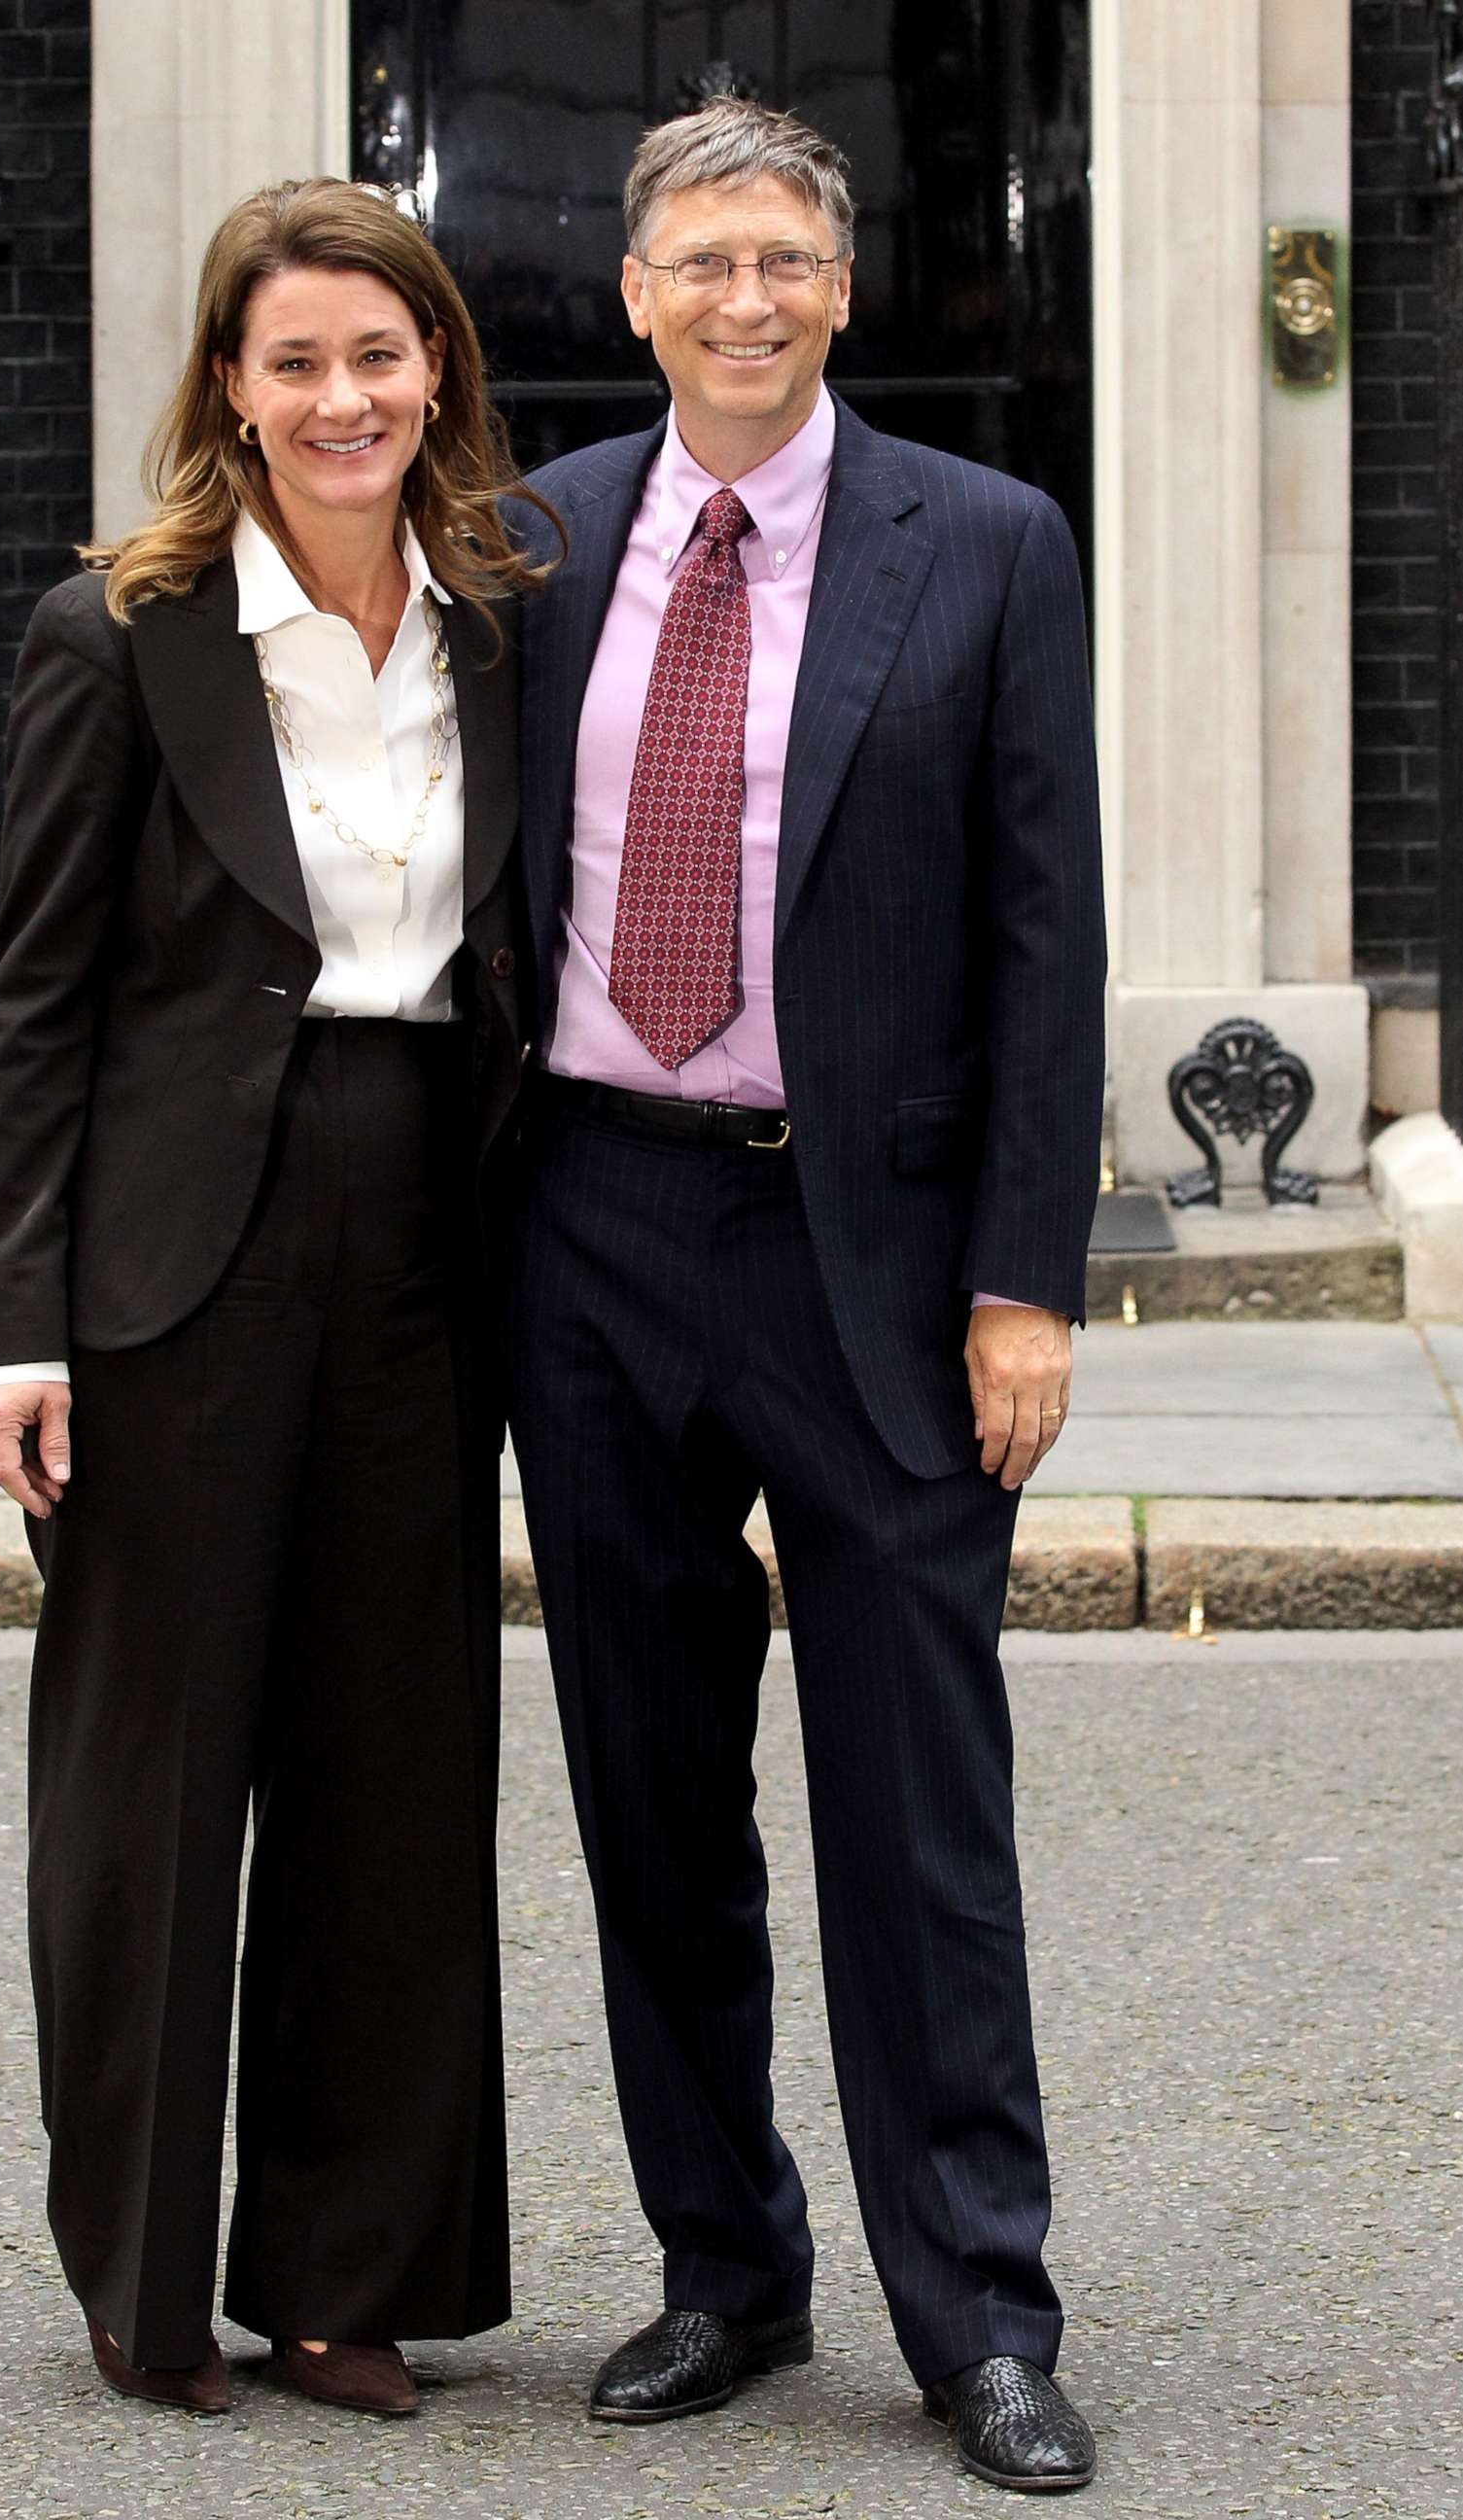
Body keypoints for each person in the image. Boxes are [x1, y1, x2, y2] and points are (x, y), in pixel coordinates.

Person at [505, 98, 1105, 2493]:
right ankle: (725, 2271)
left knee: (914, 1804)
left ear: (841, 288)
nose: (741, 299)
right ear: (632, 295)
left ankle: (976, 2310)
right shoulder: (526, 538)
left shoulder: (984, 542)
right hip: (591, 1231)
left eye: (782, 259)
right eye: (697, 263)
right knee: (650, 1796)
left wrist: (1022, 1286)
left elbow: (1044, 929)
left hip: (865, 1248)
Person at [0, 179, 554, 2419]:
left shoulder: (503, 615)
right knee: (154, 1768)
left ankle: (341, 2275)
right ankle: (136, 2266)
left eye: (380, 358)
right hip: (170, 1246)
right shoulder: (120, 632)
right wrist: (15, 1317)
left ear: (437, 379)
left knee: (394, 1766)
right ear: (229, 383)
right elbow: (30, 1007)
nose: (342, 399)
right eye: (295, 360)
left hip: (427, 1222)